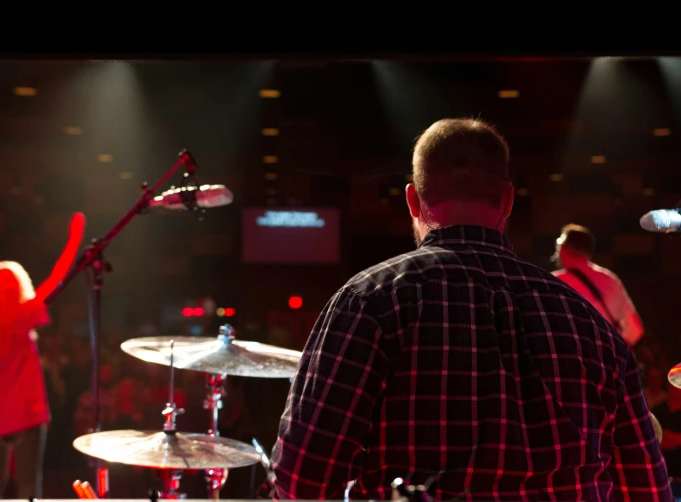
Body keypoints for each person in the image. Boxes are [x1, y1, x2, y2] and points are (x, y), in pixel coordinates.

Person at [270, 118, 670, 500]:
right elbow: (647, 490)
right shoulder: (588, 322)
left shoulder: (369, 302)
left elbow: (302, 478)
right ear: (508, 200)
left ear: (413, 199)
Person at [0, 212, 85, 498]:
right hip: (25, 412)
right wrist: (74, 240)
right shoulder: (24, 315)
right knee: (29, 486)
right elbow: (58, 279)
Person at [551, 224, 645, 348]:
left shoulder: (553, 282)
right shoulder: (610, 279)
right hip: (608, 362)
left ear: (564, 248)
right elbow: (635, 329)